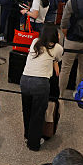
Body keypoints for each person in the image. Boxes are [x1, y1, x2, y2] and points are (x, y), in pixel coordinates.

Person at [21, 24, 62, 152]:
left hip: (25, 80)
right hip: (40, 83)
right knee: (38, 113)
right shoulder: (57, 48)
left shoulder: (35, 42)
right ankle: (34, 143)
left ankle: (27, 135)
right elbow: (57, 59)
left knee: (27, 109)